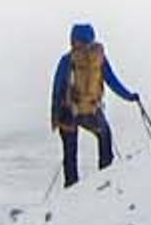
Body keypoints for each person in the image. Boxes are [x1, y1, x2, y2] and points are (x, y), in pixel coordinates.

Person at [48, 22, 139, 183]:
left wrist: (55, 117)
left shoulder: (67, 60)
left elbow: (57, 89)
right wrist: (130, 96)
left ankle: (71, 188)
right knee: (105, 138)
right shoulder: (99, 59)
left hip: (70, 112)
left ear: (73, 39)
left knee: (70, 154)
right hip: (91, 110)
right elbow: (112, 82)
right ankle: (105, 179)